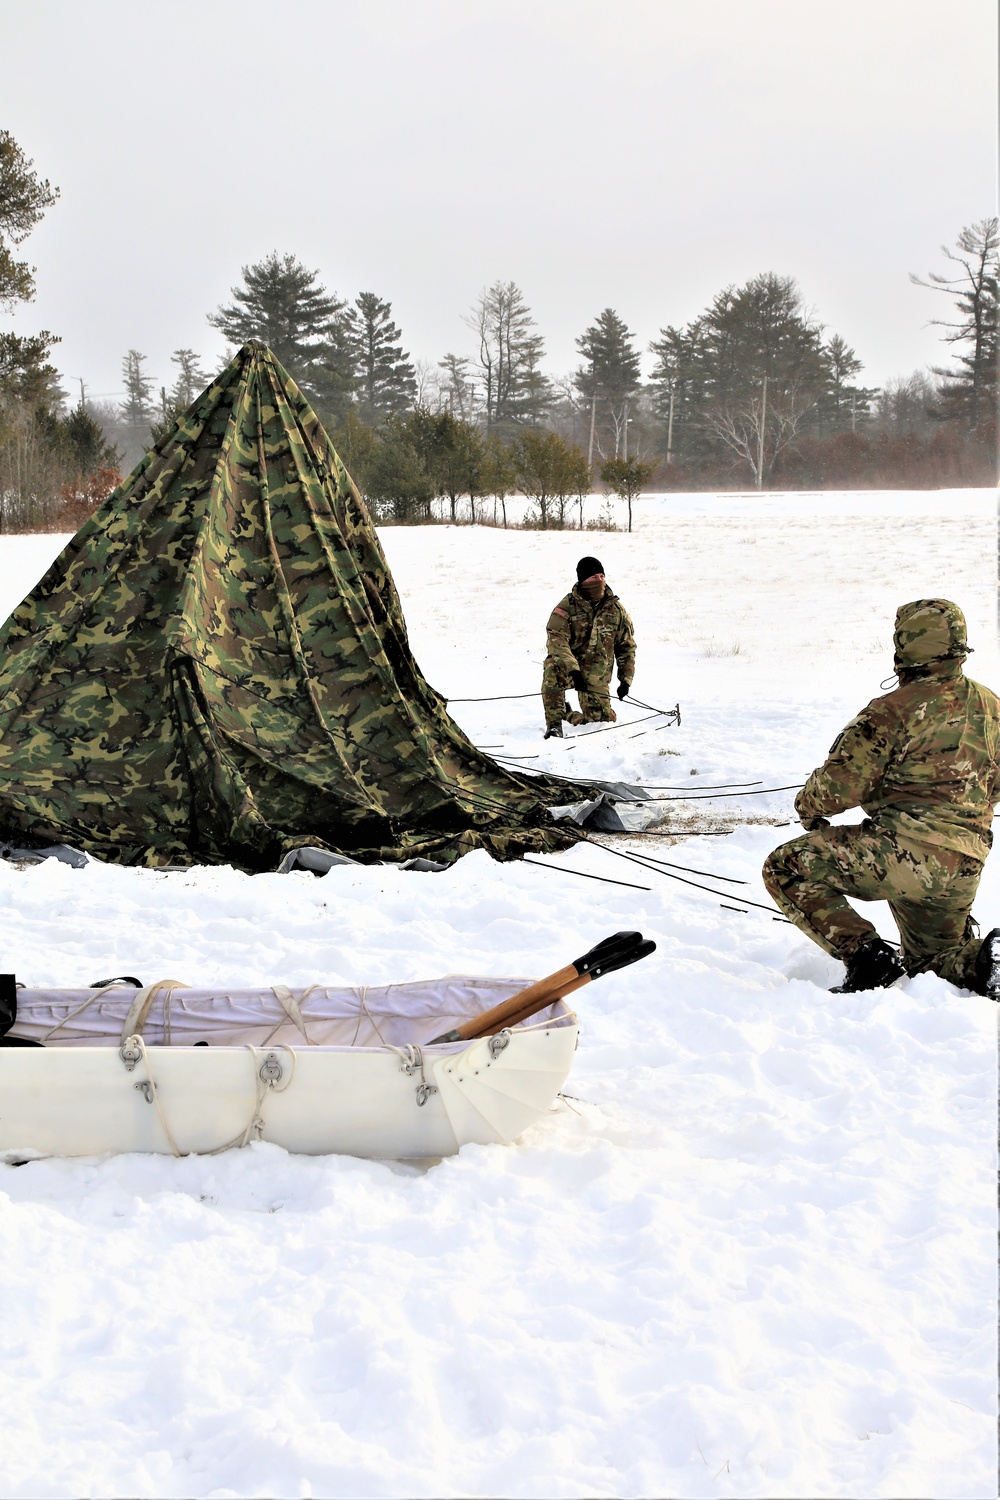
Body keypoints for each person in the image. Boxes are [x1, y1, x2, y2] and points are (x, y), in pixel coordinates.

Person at [762, 598, 1000, 997]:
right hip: (965, 861)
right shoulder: (992, 706)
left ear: (904, 645)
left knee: (785, 868)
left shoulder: (891, 711)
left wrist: (807, 807)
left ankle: (868, 961)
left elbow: (838, 787)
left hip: (901, 853)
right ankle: (986, 963)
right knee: (934, 961)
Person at [541, 556, 636, 739]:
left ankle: (568, 714)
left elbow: (627, 646)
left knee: (601, 724)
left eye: (602, 576)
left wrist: (625, 679)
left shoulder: (616, 610)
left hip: (597, 675)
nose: (599, 581)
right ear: (583, 581)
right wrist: (574, 670)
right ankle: (554, 724)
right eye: (594, 578)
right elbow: (556, 641)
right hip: (570, 670)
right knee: (552, 666)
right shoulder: (566, 607)